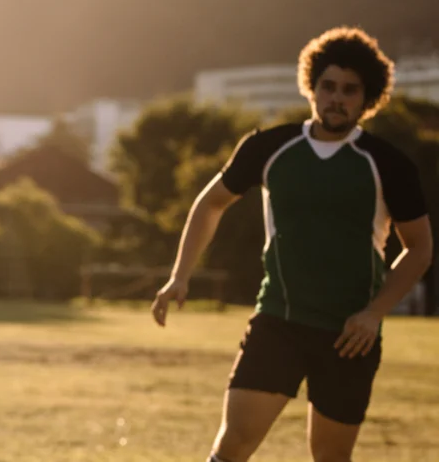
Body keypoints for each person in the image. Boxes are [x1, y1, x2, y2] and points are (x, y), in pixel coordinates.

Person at [151, 27, 433, 462]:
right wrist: (179, 276)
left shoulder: (387, 165)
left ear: (367, 98)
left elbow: (419, 247)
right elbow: (210, 205)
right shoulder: (271, 147)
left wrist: (374, 313)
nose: (336, 98)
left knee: (330, 458)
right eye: (328, 86)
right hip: (278, 321)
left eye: (350, 90)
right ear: (311, 87)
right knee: (232, 446)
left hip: (349, 337)